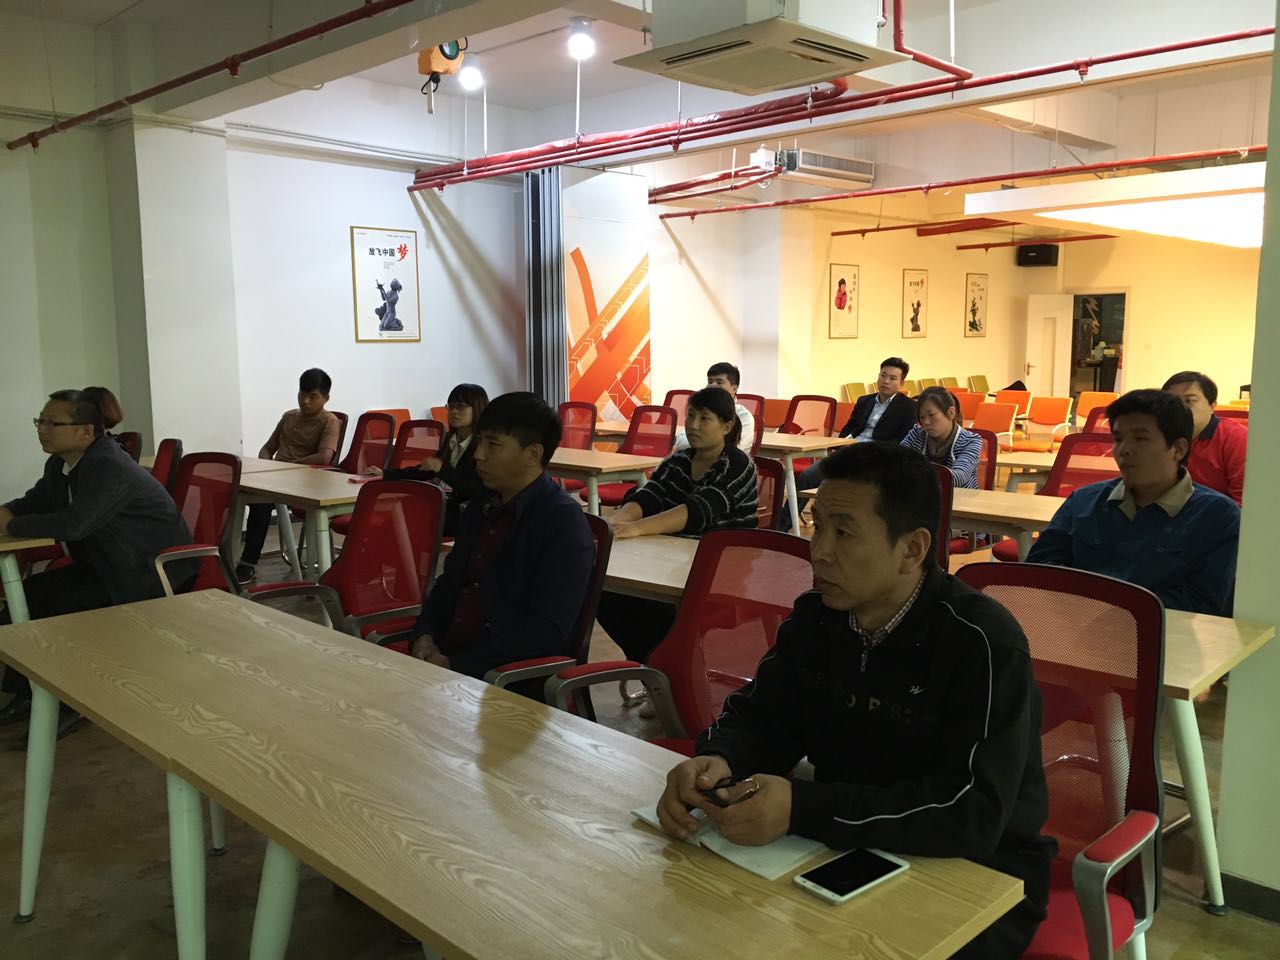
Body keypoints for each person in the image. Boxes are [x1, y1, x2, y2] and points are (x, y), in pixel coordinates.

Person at [656, 443, 1054, 957]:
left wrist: (804, 808)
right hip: (844, 844)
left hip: (981, 874)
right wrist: (719, 758)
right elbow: (765, 718)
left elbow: (970, 813)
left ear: (912, 549)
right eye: (818, 525)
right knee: (695, 915)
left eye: (843, 533)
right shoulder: (818, 617)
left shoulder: (980, 642)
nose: (819, 551)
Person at [0, 390, 197, 735]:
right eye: (40, 421)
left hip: (148, 571)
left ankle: (70, 700)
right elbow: (38, 500)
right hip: (109, 564)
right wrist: (8, 511)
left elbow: (74, 524)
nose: (42, 429)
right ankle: (31, 693)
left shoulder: (109, 466)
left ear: (86, 431)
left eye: (53, 423)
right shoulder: (60, 464)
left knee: (60, 608)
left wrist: (12, 526)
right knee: (30, 597)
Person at [407, 392, 593, 682]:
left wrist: (456, 665)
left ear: (533, 454)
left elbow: (546, 633)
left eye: (493, 445)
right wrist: (424, 635)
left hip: (502, 680)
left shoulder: (561, 522)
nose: (479, 454)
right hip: (448, 663)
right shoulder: (481, 506)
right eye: (480, 441)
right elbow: (448, 585)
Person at [1026, 389, 1240, 616]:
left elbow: (1201, 603)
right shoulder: (1084, 500)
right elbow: (1039, 570)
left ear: (1178, 449)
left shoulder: (1217, 516)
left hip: (1162, 635)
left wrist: (1104, 609)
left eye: (1140, 439)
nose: (1124, 450)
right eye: (1118, 439)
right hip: (1072, 627)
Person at [597, 386, 759, 663]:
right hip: (672, 559)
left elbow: (698, 512)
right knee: (604, 592)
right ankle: (659, 665)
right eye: (691, 416)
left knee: (652, 611)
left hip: (721, 568)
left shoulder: (737, 465)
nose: (693, 425)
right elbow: (649, 496)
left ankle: (666, 667)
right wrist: (614, 521)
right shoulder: (678, 461)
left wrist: (636, 528)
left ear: (726, 426)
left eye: (705, 418)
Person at [779, 357, 916, 527]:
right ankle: (782, 526)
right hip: (850, 452)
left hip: (877, 458)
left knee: (843, 486)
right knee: (808, 476)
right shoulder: (864, 401)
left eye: (892, 378)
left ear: (901, 383)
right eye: (883, 375)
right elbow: (848, 429)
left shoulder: (908, 407)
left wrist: (873, 452)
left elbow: (902, 441)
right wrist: (838, 445)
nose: (886, 381)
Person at [235, 368, 341, 585]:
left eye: (313, 396)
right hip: (277, 477)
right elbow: (267, 448)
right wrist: (267, 465)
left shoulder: (329, 421)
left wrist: (288, 468)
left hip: (306, 482)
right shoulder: (289, 417)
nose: (305, 401)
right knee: (238, 495)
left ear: (326, 398)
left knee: (261, 504)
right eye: (302, 394)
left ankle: (248, 562)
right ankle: (223, 556)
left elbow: (324, 457)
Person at [367, 383, 487, 535]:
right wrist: (386, 473)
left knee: (407, 518)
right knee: (401, 513)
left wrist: (441, 469)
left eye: (461, 406)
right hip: (449, 506)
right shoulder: (451, 438)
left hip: (470, 513)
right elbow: (426, 470)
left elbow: (475, 489)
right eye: (451, 406)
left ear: (477, 408)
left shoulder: (483, 445)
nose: (454, 412)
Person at [1162, 371, 1247, 506]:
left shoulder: (1236, 438)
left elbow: (1245, 503)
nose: (1179, 408)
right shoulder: (1158, 435)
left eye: (1189, 400)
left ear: (1212, 405)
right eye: (1172, 401)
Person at [899, 386, 984, 489]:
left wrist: (912, 473)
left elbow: (958, 478)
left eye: (932, 415)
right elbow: (896, 460)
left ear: (951, 412)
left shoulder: (971, 441)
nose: (926, 422)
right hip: (923, 495)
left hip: (960, 497)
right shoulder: (917, 433)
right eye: (922, 417)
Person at [672, 362, 757, 455]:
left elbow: (732, 449)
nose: (712, 386)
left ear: (734, 388)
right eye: (710, 381)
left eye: (719, 382)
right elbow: (681, 442)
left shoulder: (744, 416)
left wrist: (698, 444)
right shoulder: (701, 410)